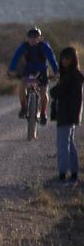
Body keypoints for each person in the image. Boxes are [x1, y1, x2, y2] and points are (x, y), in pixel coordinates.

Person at [7, 27, 59, 124]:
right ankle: (23, 107)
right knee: (22, 87)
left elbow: (52, 59)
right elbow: (16, 57)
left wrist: (56, 72)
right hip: (29, 71)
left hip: (42, 71)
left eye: (35, 37)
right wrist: (12, 70)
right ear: (28, 38)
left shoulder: (44, 46)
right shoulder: (24, 46)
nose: (32, 39)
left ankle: (43, 113)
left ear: (39, 38)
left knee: (43, 92)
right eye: (30, 37)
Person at [49, 46, 82, 184]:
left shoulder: (71, 76)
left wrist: (54, 89)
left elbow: (56, 92)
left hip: (67, 114)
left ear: (73, 59)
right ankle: (74, 173)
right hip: (71, 114)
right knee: (71, 144)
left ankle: (62, 174)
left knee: (63, 145)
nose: (64, 61)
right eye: (62, 58)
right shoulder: (74, 74)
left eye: (67, 58)